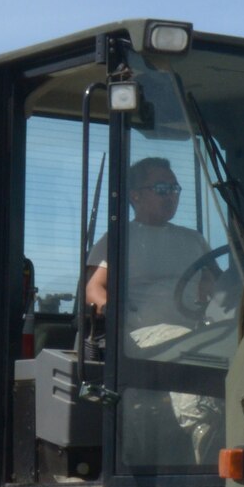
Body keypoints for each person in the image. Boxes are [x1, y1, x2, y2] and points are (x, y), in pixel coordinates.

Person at [81, 156, 225, 464]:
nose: (170, 195)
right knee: (185, 343)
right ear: (135, 195)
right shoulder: (117, 240)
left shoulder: (193, 240)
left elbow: (218, 284)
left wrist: (213, 291)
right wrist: (109, 308)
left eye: (174, 188)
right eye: (161, 188)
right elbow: (94, 290)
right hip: (141, 337)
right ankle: (205, 431)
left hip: (196, 332)